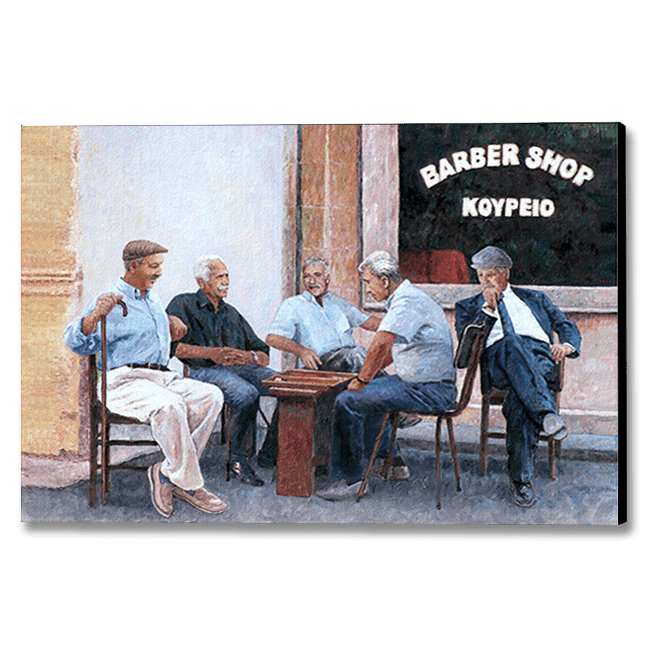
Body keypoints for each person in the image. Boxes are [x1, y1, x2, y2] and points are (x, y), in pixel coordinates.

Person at [64, 240, 227, 518]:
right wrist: (93, 316)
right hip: (123, 381)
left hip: (159, 377)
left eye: (160, 266)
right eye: (154, 266)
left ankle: (167, 473)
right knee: (170, 406)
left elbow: (155, 338)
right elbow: (74, 340)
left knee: (211, 396)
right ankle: (189, 485)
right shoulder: (111, 298)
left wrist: (171, 325)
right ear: (133, 266)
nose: (159, 272)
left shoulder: (152, 298)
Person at [316, 251, 457, 501]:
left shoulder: (406, 302)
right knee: (372, 393)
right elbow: (392, 351)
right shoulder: (408, 298)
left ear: (384, 280)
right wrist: (367, 379)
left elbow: (381, 343)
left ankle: (353, 481)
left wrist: (361, 380)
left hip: (428, 389)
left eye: (368, 283)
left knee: (347, 401)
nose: (367, 290)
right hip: (425, 383)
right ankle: (386, 462)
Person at [454, 246, 581, 507]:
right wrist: (487, 311)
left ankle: (521, 480)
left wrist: (568, 345)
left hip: (540, 360)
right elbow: (465, 353)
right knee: (511, 343)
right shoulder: (467, 307)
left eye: (491, 275)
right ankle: (546, 414)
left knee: (519, 402)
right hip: (499, 362)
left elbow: (565, 325)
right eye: (480, 276)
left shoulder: (535, 298)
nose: (485, 281)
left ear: (505, 274)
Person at [166, 255, 278, 486]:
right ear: (201, 282)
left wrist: (248, 356)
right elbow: (172, 348)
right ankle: (239, 461)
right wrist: (212, 353)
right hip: (203, 372)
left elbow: (263, 353)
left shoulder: (231, 313)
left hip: (240, 369)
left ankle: (270, 452)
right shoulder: (183, 304)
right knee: (246, 394)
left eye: (227, 276)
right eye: (219, 277)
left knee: (287, 386)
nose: (226, 281)